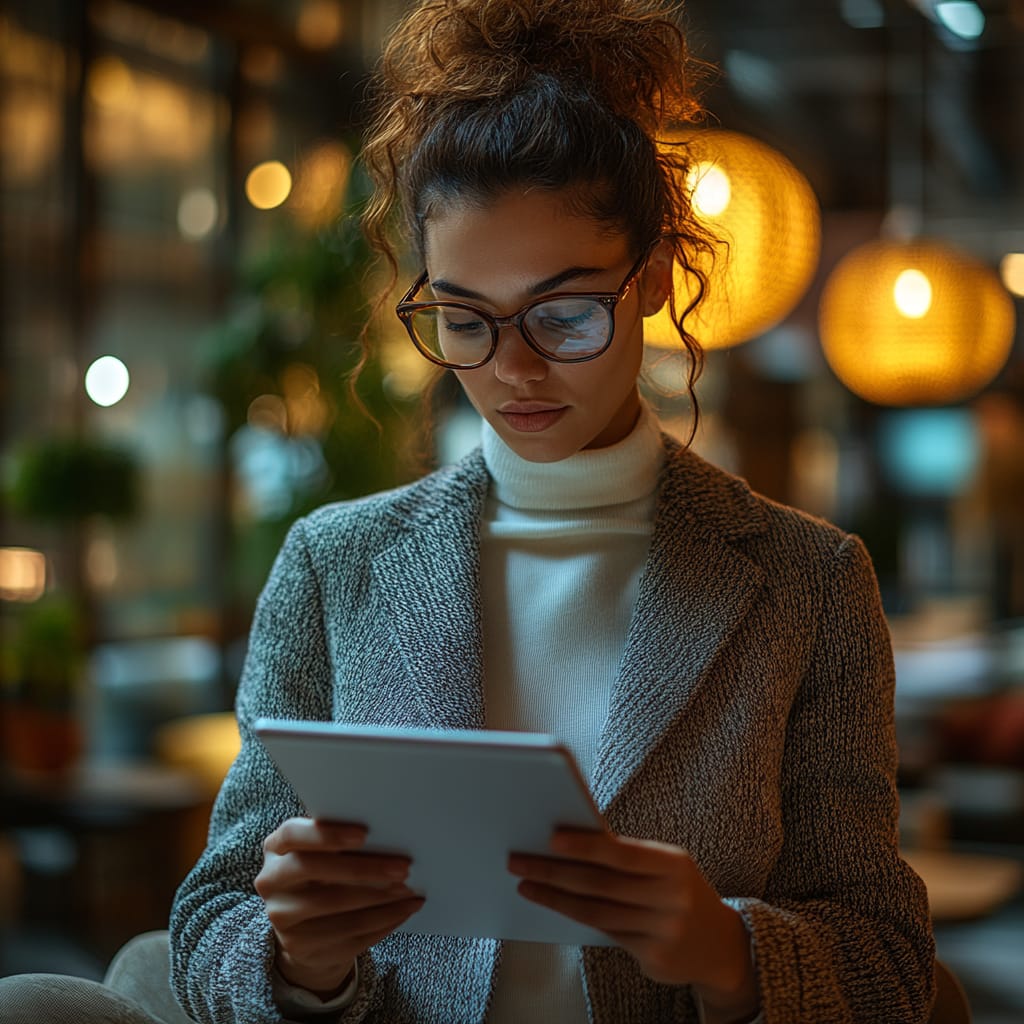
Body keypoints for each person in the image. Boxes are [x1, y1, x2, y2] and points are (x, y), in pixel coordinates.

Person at [0, 1, 935, 1022]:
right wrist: (301, 960)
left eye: (563, 313)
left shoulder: (806, 581)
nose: (512, 368)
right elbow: (217, 912)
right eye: (463, 318)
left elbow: (888, 963)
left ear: (655, 278)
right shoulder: (336, 563)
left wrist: (726, 950)